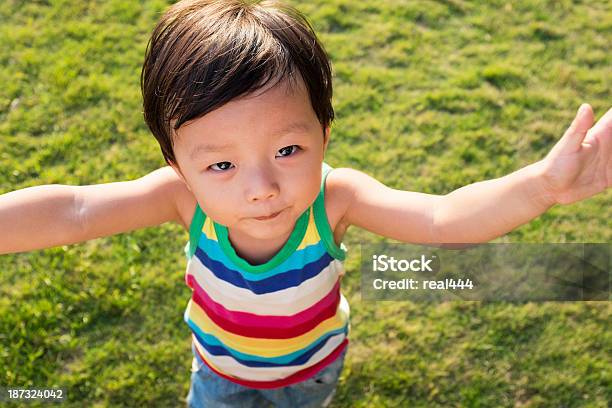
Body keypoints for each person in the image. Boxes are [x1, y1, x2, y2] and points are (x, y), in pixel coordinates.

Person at [1, 0, 610, 406]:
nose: (261, 186)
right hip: (218, 374)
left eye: (289, 148)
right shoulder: (181, 200)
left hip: (313, 371)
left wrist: (541, 188)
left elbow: (440, 218)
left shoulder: (336, 198)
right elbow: (75, 210)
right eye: (221, 164)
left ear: (324, 129)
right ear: (176, 163)